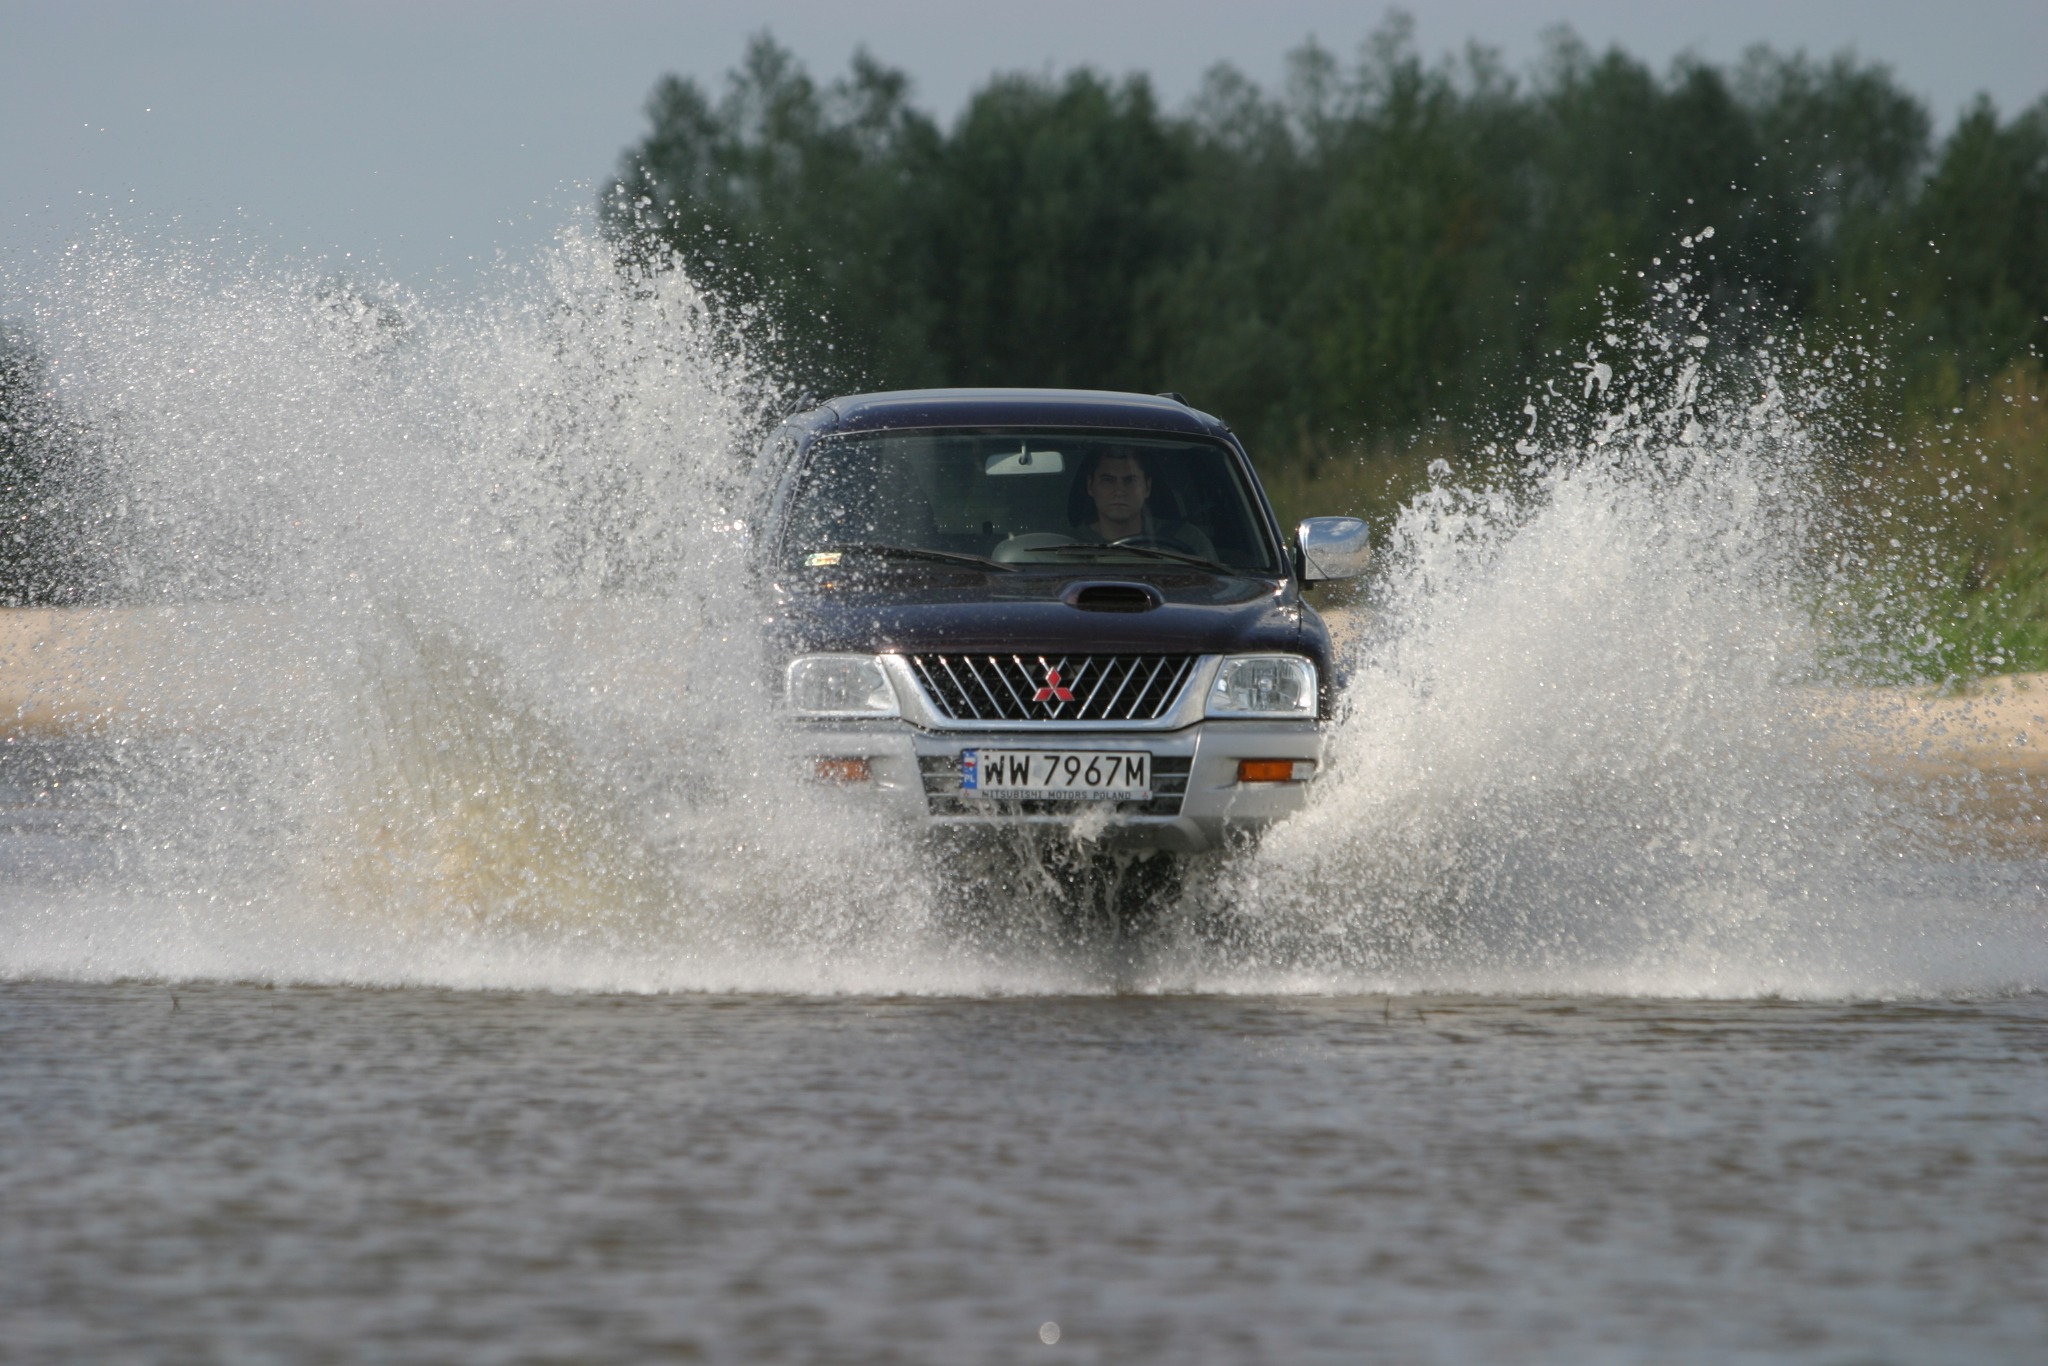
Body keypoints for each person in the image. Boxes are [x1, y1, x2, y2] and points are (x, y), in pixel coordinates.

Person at [1071, 447, 1219, 560]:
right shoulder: (1064, 545)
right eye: (1108, 480)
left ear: (1147, 488)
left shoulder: (1188, 540)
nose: (1120, 491)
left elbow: (1215, 587)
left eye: (1130, 480)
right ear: (1090, 486)